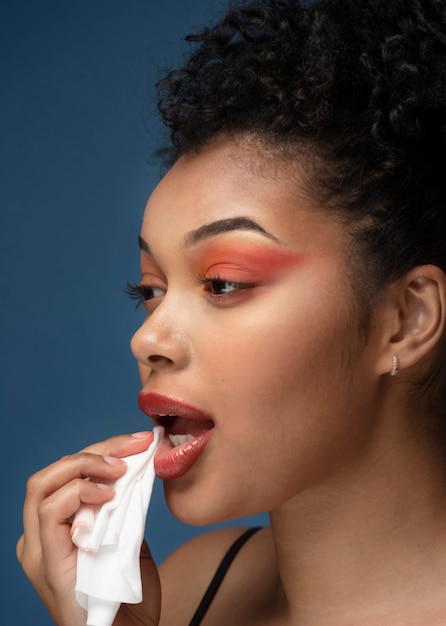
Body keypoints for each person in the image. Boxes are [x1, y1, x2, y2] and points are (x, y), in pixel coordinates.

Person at [16, 0, 446, 623]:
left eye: (222, 283)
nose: (148, 339)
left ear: (406, 320)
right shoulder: (189, 590)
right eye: (150, 289)